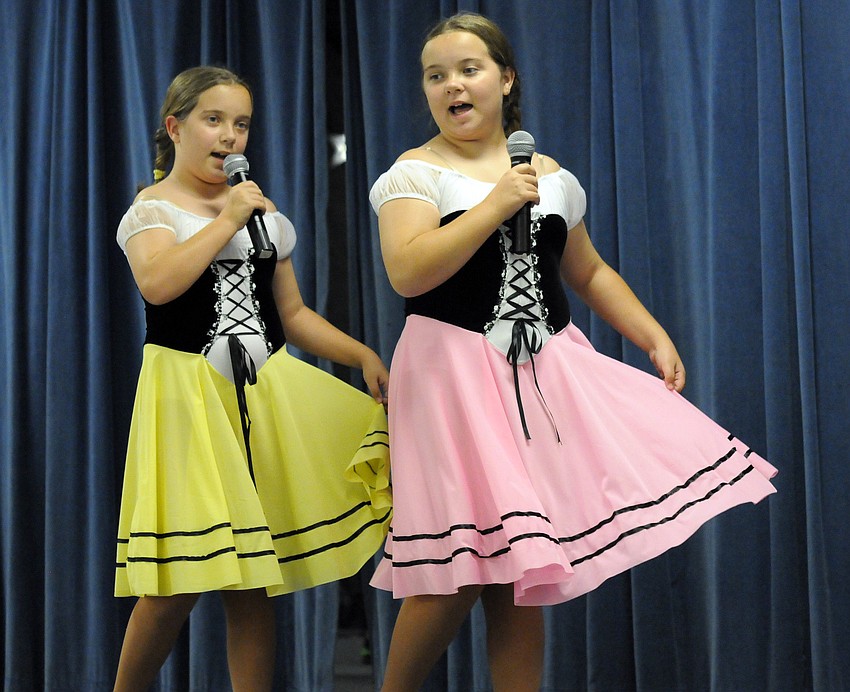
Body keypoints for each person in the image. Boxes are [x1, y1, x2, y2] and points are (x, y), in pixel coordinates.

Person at [368, 13, 778, 692]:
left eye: (467, 69)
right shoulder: (416, 172)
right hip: (450, 377)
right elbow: (408, 273)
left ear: (505, 78)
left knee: (523, 565)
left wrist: (652, 333)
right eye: (435, 75)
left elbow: (587, 273)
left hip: (539, 374)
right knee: (459, 568)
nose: (451, 85)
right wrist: (496, 203)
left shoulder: (551, 175)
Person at [112, 66, 392, 692]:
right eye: (214, 120)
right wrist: (227, 217)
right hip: (186, 398)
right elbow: (158, 284)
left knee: (253, 579)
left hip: (261, 396)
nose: (229, 136)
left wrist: (361, 355)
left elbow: (291, 314)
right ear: (174, 126)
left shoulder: (263, 217)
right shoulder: (151, 208)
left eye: (241, 124)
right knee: (178, 579)